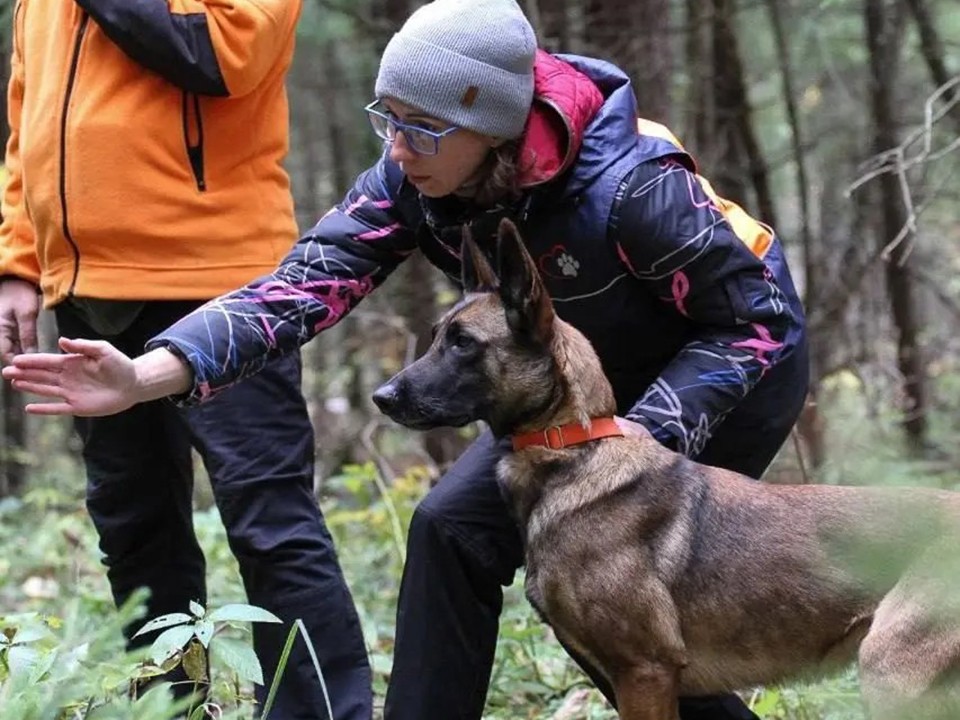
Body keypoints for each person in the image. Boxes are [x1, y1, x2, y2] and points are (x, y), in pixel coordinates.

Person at [3, 0, 810, 718]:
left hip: (714, 377)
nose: (400, 146)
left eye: (421, 128)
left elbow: (757, 322)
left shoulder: (635, 189)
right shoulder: (412, 179)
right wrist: (147, 375)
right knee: (450, 532)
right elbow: (295, 289)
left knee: (619, 613)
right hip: (554, 387)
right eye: (387, 120)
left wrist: (640, 436)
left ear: (491, 121)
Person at [0, 2, 371, 718]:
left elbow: (223, 54)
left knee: (269, 520)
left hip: (220, 281)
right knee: (134, 526)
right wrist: (17, 260)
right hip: (87, 288)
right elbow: (26, 117)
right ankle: (168, 706)